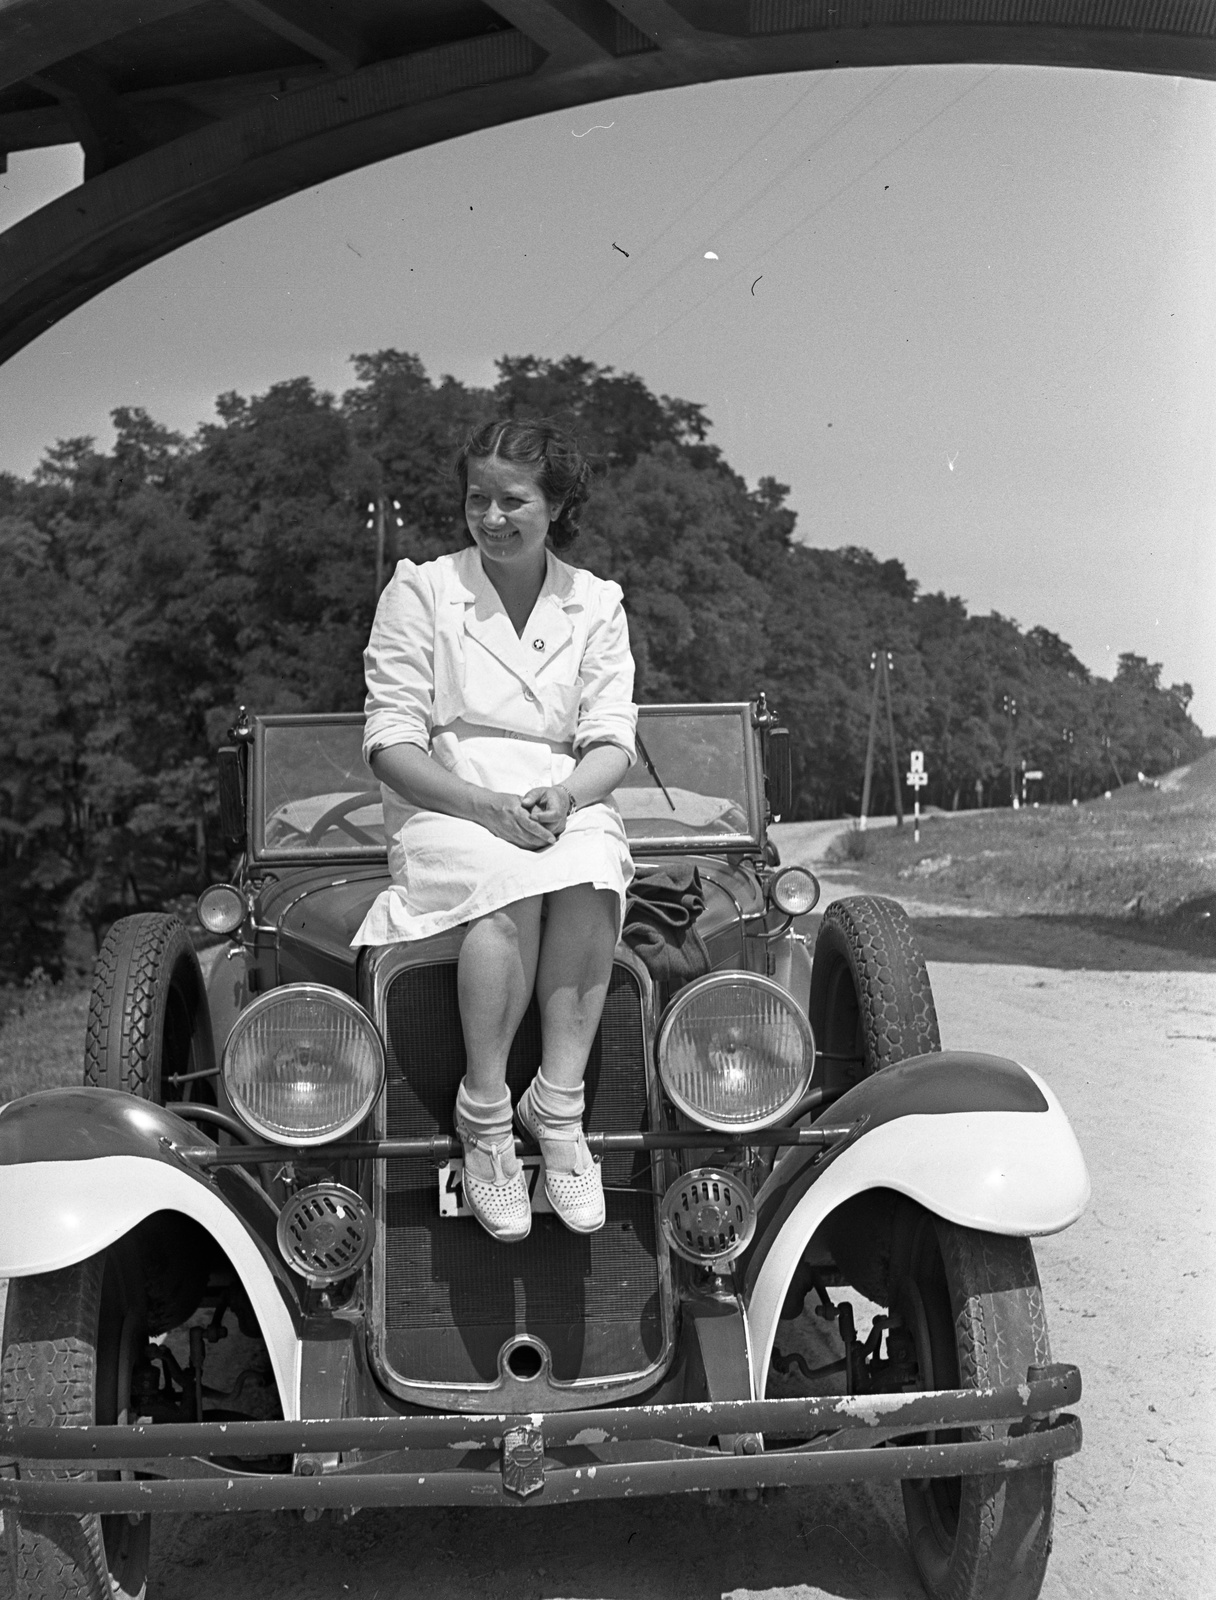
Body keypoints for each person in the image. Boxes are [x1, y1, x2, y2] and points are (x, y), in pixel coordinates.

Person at [352, 418, 637, 1245]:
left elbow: (612, 739)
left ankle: (556, 1106)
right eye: (478, 498)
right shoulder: (423, 589)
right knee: (510, 884)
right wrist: (481, 808)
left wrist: (566, 797)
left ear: (556, 507)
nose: (492, 516)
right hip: (446, 802)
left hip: (560, 794)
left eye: (514, 500)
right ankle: (483, 1118)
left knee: (592, 872)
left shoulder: (597, 602)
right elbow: (390, 741)